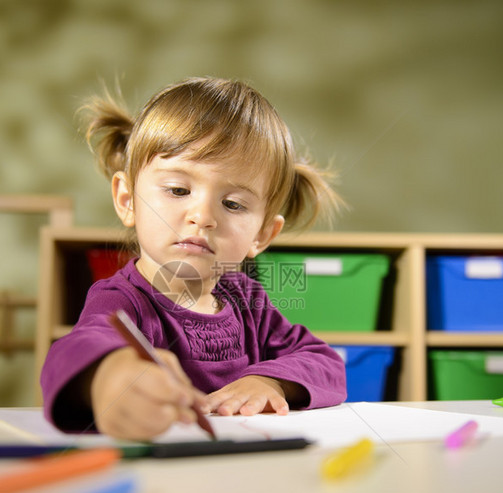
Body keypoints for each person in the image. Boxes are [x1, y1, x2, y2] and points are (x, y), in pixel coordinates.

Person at [41, 77, 347, 440]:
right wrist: (110, 375)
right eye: (178, 190)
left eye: (233, 204)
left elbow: (327, 363)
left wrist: (270, 382)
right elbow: (70, 354)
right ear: (127, 201)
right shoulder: (122, 300)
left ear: (263, 235)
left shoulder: (249, 300)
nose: (202, 216)